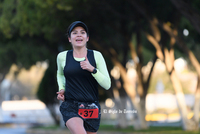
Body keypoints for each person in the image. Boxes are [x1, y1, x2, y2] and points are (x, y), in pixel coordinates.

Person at [56, 21, 111, 134]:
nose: (79, 35)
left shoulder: (96, 56)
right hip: (71, 105)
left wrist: (93, 70)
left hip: (91, 107)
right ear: (70, 39)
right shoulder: (62, 57)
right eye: (75, 33)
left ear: (87, 38)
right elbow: (60, 74)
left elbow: (107, 84)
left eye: (82, 32)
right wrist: (62, 88)